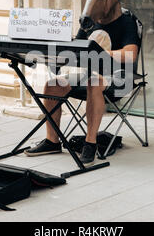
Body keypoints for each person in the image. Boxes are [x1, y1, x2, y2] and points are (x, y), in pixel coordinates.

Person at [24, 12, 141, 167]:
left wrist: (100, 54)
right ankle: (52, 141)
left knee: (94, 82)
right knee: (53, 85)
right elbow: (75, 50)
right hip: (89, 75)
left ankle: (90, 144)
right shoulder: (89, 21)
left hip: (120, 78)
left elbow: (131, 54)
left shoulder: (126, 21)